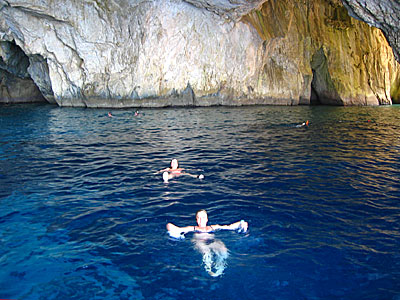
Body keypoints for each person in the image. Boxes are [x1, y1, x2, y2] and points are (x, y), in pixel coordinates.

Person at [166, 209, 248, 277]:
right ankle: (209, 269)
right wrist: (174, 231)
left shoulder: (213, 227)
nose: (201, 220)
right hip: (199, 242)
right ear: (197, 220)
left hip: (213, 241)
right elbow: (171, 226)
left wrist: (242, 223)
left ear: (207, 219)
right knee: (206, 252)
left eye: (203, 217)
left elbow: (229, 227)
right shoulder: (192, 228)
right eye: (199, 218)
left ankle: (220, 269)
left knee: (223, 249)